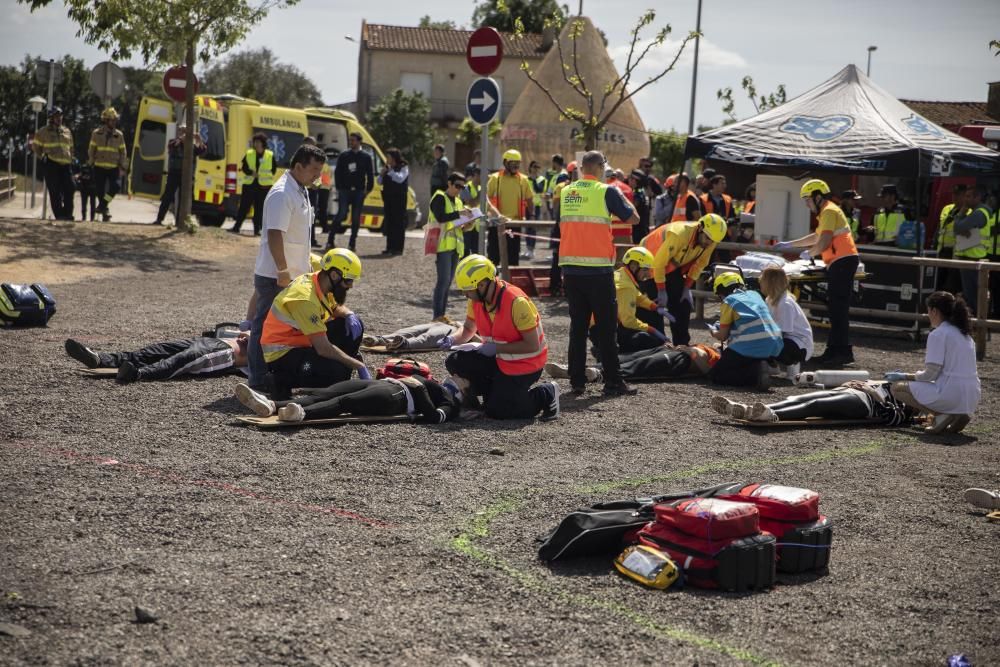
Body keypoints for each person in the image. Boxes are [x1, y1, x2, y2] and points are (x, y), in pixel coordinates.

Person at [559, 150, 639, 396]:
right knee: (606, 329)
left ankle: (577, 381)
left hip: (571, 269)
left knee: (578, 328)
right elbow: (633, 218)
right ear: (601, 167)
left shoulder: (566, 192)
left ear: (582, 168)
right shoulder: (607, 191)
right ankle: (613, 381)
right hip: (598, 271)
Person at [441, 254, 559, 421]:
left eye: (467, 289)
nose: (465, 294)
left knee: (500, 412)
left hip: (525, 364)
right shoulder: (477, 299)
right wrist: (452, 339)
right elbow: (468, 328)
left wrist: (496, 348)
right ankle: (492, 397)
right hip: (499, 358)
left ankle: (545, 394)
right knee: (455, 360)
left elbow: (532, 345)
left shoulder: (517, 303)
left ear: (482, 285)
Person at [247, 143, 326, 390]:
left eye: (319, 171)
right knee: (263, 328)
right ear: (298, 166)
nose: (317, 176)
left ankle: (273, 376)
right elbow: (275, 234)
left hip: (291, 275)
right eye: (314, 170)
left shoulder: (300, 189)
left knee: (281, 329)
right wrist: (283, 269)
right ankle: (258, 379)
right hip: (275, 275)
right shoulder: (282, 193)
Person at [773, 179, 860, 366]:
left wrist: (810, 253)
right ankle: (835, 351)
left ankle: (841, 353)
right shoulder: (826, 212)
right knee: (837, 310)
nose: (806, 203)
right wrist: (791, 244)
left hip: (842, 262)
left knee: (838, 311)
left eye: (807, 199)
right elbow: (816, 237)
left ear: (818, 196)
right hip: (840, 262)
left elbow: (825, 241)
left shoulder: (828, 210)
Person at [261, 247, 367, 399]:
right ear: (335, 275)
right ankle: (279, 380)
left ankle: (339, 379)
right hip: (283, 354)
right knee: (336, 372)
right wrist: (357, 365)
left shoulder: (321, 281)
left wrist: (350, 314)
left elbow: (334, 307)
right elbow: (323, 348)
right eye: (348, 280)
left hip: (303, 342)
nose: (350, 286)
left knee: (348, 325)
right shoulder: (305, 298)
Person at [883, 291, 981, 434]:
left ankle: (941, 414)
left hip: (951, 393)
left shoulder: (938, 334)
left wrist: (904, 376)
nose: (927, 315)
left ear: (934, 311)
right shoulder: (965, 335)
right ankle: (956, 414)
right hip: (972, 396)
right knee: (924, 386)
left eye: (928, 310)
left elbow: (930, 375)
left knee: (897, 388)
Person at [641, 213, 727, 345]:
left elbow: (701, 264)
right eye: (707, 238)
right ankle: (657, 346)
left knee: (682, 306)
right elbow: (658, 263)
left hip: (669, 267)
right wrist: (661, 289)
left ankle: (681, 345)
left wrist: (687, 287)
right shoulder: (679, 235)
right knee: (654, 308)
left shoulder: (711, 240)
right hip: (647, 264)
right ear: (700, 228)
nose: (708, 243)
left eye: (712, 241)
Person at [234, 375, 462, 424]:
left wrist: (420, 389)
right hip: (385, 384)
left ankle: (302, 414)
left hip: (398, 397)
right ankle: (272, 406)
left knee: (348, 402)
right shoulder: (439, 385)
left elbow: (434, 417)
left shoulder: (450, 402)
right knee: (327, 391)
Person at [711, 380, 916, 426]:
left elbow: (891, 416)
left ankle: (773, 415)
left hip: (864, 402)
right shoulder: (898, 384)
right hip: (851, 391)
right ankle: (752, 410)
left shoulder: (909, 406)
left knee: (816, 405)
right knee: (798, 398)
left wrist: (873, 392)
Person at [64, 334, 247, 385]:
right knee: (154, 351)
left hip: (226, 352)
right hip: (213, 341)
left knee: (180, 361)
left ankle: (138, 374)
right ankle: (101, 359)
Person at [708, 271, 783, 388]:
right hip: (775, 343)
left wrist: (713, 331)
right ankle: (764, 364)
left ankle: (755, 375)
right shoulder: (755, 294)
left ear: (721, 292)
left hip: (750, 346)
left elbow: (722, 336)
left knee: (716, 375)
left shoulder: (729, 301)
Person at [599, 246, 670, 356]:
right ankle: (611, 352)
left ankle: (606, 348)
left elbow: (638, 296)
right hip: (604, 330)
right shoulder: (627, 287)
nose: (647, 274)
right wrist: (650, 329)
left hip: (602, 326)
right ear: (633, 266)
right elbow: (628, 321)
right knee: (646, 339)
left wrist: (653, 306)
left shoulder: (621, 274)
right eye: (645, 270)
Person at [546, 343, 719, 383]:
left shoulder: (719, 359)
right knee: (630, 357)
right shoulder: (714, 347)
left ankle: (602, 374)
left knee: (645, 363)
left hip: (682, 361)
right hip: (677, 351)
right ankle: (576, 370)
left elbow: (707, 372)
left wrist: (692, 352)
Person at [430, 172, 472, 323]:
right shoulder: (439, 197)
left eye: (462, 187)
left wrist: (469, 223)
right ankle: (437, 316)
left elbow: (457, 226)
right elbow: (440, 217)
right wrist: (459, 213)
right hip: (443, 246)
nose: (459, 189)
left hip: (456, 247)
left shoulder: (459, 202)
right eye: (457, 186)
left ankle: (441, 315)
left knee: (448, 282)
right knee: (443, 281)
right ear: (449, 183)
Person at [758, 266, 813, 379]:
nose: (760, 282)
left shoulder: (785, 303)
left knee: (764, 342)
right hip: (789, 339)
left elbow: (781, 332)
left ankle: (793, 363)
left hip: (799, 345)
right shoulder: (770, 299)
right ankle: (773, 366)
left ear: (770, 282)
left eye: (763, 280)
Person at [487, 149, 534, 267]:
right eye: (513, 163)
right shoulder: (495, 178)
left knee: (513, 259)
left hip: (515, 224)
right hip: (497, 224)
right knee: (494, 258)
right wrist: (495, 214)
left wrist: (531, 216)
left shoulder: (523, 180)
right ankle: (493, 284)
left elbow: (529, 198)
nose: (516, 166)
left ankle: (511, 285)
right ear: (505, 163)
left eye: (518, 163)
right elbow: (486, 198)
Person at [329, 132, 374, 251]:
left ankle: (352, 243)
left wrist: (368, 189)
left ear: (359, 141)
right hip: (345, 190)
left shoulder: (366, 157)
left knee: (355, 217)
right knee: (341, 214)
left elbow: (370, 174)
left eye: (353, 140)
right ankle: (330, 240)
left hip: (359, 191)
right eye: (350, 140)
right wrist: (339, 188)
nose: (351, 142)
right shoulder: (344, 155)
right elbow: (338, 173)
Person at [155, 124, 206, 226]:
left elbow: (202, 150)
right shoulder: (173, 142)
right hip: (174, 174)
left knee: (184, 199)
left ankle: (180, 222)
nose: (183, 133)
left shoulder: (191, 147)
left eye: (185, 131)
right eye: (181, 131)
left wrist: (199, 139)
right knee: (167, 197)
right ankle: (159, 219)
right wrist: (182, 138)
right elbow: (172, 146)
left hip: (186, 176)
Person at [953, 184, 992, 314]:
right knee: (971, 294)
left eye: (969, 196)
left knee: (972, 295)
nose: (965, 199)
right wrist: (962, 227)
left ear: (978, 197)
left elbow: (957, 228)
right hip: (971, 257)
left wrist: (962, 212)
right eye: (965, 196)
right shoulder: (976, 212)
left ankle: (977, 325)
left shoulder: (979, 213)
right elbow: (961, 228)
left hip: (973, 258)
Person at [33, 106, 75, 221]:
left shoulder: (66, 131)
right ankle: (60, 215)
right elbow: (36, 147)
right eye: (56, 117)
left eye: (60, 116)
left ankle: (68, 213)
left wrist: (71, 158)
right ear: (51, 118)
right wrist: (42, 157)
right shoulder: (43, 132)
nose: (59, 119)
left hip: (66, 164)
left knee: (70, 188)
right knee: (55, 191)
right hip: (51, 164)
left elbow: (71, 148)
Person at [88, 107, 128, 222]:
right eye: (112, 120)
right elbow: (91, 150)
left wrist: (122, 165)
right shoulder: (96, 133)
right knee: (99, 191)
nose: (114, 122)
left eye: (115, 120)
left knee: (116, 186)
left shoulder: (119, 135)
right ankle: (105, 212)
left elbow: (123, 152)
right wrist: (91, 162)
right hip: (99, 166)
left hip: (113, 167)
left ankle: (102, 205)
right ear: (106, 120)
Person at [231, 133, 275, 236]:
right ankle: (236, 227)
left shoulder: (270, 155)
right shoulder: (249, 153)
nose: (256, 144)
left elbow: (273, 170)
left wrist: (263, 175)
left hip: (263, 187)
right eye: (255, 142)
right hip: (249, 185)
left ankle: (257, 230)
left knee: (259, 209)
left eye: (258, 142)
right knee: (244, 207)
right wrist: (251, 173)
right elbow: (244, 167)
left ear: (263, 143)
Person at [935, 184, 967, 294]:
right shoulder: (947, 208)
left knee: (951, 287)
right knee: (938, 285)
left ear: (965, 196)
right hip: (942, 252)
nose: (954, 197)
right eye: (953, 194)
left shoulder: (970, 212)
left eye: (958, 195)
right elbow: (939, 228)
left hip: (956, 254)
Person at [363, 321, 473, 351]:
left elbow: (472, 333)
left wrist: (459, 325)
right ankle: (379, 339)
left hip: (456, 330)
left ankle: (404, 344)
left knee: (428, 338)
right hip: (448, 323)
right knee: (409, 331)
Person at [379, 147, 409, 256]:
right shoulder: (387, 168)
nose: (387, 159)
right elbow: (379, 181)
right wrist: (382, 174)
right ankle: (389, 247)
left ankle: (398, 248)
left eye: (388, 157)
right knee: (389, 222)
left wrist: (390, 171)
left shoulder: (403, 167)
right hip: (388, 198)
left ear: (394, 158)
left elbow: (400, 179)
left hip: (399, 199)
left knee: (398, 223)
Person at [521, 160, 546, 260]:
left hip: (536, 206)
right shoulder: (525, 179)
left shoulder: (541, 179)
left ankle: (532, 249)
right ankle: (528, 248)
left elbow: (539, 190)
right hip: (526, 206)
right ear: (530, 168)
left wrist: (534, 179)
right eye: (534, 167)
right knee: (527, 228)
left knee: (533, 228)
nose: (536, 169)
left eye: (538, 167)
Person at [628, 170, 651, 244]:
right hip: (643, 230)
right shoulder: (643, 193)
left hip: (638, 232)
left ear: (635, 180)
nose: (628, 180)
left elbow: (631, 210)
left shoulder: (637, 195)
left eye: (630, 178)